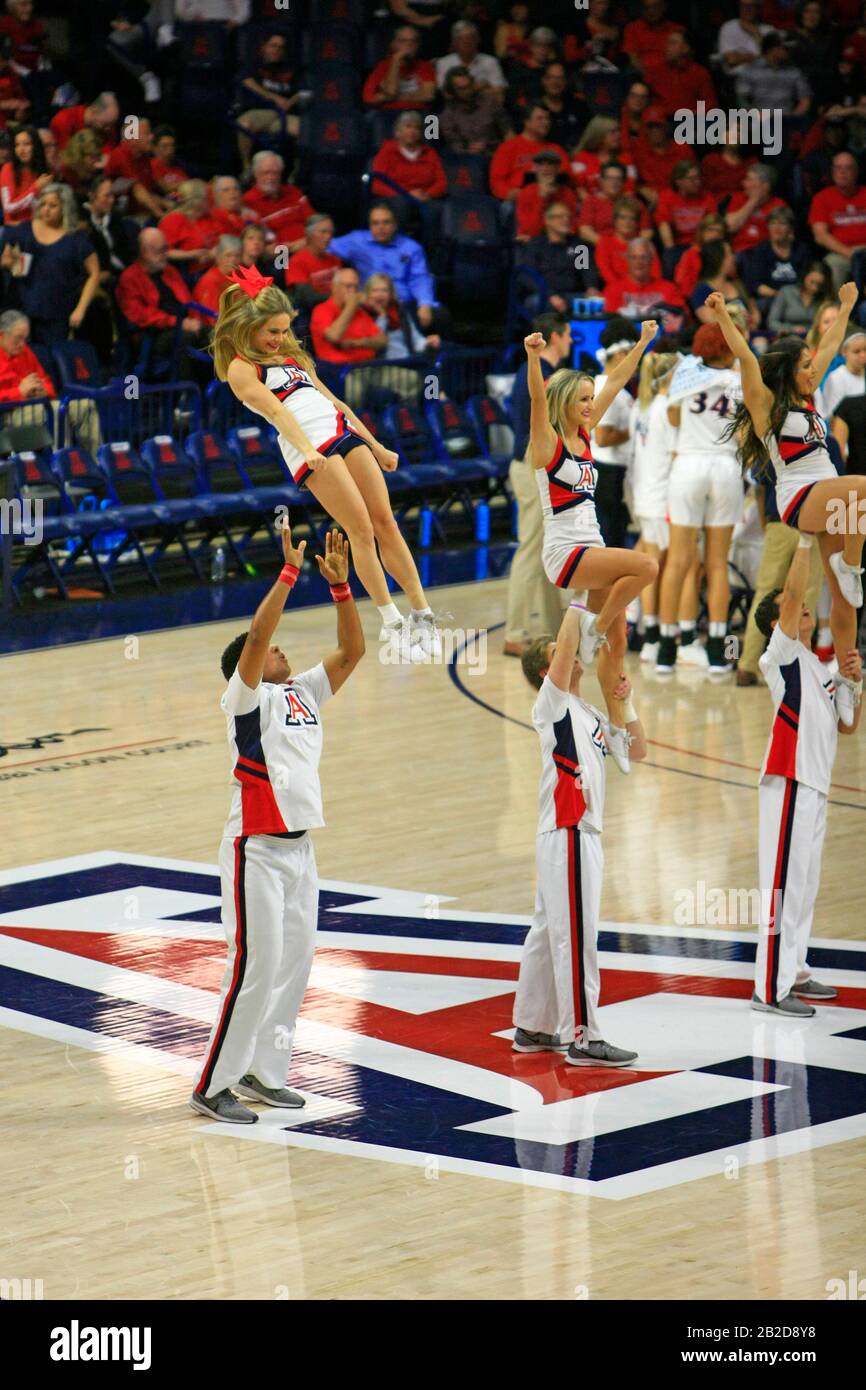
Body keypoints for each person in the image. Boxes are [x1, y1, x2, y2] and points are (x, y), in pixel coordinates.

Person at [191, 525, 365, 1123]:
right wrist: (289, 574)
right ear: (248, 665)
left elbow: (353, 652)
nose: (281, 650)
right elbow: (260, 631)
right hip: (254, 851)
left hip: (300, 851)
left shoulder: (304, 693)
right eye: (270, 651)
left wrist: (342, 589)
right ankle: (212, 1084)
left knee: (296, 964)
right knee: (254, 964)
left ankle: (266, 1072)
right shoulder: (243, 700)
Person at [214, 268, 441, 655]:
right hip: (309, 448)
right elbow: (278, 413)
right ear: (249, 327)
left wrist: (376, 445)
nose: (280, 339)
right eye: (272, 332)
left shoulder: (291, 356)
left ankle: (423, 613)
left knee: (386, 521)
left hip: (341, 432)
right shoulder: (240, 368)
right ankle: (391, 621)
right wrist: (307, 450)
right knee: (361, 530)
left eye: (285, 331)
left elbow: (335, 402)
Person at [709, 284, 866, 725]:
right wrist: (724, 316)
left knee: (843, 602)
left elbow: (830, 343)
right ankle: (852, 566)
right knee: (863, 488)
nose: (811, 370)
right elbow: (744, 357)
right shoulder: (768, 406)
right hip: (799, 495)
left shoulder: (808, 397)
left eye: (810, 365)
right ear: (786, 371)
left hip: (831, 491)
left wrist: (848, 305)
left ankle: (848, 681)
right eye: (803, 366)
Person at [513, 605, 647, 1066]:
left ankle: (532, 1026)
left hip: (576, 832)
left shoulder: (586, 710)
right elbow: (570, 637)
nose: (572, 656)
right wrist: (582, 589)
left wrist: (625, 702)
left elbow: (637, 752)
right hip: (569, 830)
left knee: (549, 929)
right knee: (577, 935)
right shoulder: (549, 704)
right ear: (548, 671)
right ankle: (584, 1037)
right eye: (559, 654)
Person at [524, 320, 658, 768]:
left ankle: (618, 728)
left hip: (592, 547)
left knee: (618, 643)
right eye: (581, 400)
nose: (588, 406)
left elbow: (617, 379)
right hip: (567, 554)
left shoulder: (585, 434)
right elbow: (537, 400)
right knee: (645, 567)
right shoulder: (547, 442)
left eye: (589, 398)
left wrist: (641, 343)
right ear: (564, 402)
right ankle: (591, 628)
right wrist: (533, 357)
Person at [752, 538, 861, 1016]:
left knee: (805, 883)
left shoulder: (817, 666)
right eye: (792, 611)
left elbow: (848, 723)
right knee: (782, 886)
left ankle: (794, 968)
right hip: (789, 781)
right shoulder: (779, 657)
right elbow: (795, 594)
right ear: (779, 624)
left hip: (815, 785)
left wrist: (854, 679)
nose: (802, 613)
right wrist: (804, 539)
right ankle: (768, 989)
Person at [656, 324, 745, 674]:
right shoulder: (739, 379)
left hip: (688, 465)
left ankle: (665, 649)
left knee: (678, 562)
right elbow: (744, 428)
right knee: (718, 563)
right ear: (727, 348)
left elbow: (672, 416)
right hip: (724, 465)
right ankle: (719, 652)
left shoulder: (685, 375)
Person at [503, 311, 572, 658]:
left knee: (546, 548)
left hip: (534, 465)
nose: (572, 341)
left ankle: (551, 627)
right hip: (530, 466)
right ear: (556, 336)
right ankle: (515, 632)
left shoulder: (537, 373)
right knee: (531, 547)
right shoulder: (539, 375)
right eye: (568, 335)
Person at [735, 480, 823, 687]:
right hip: (813, 523)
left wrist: (767, 522)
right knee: (807, 597)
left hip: (778, 519)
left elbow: (759, 486)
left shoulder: (773, 446)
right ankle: (799, 670)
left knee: (764, 594)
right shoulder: (827, 446)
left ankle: (746, 666)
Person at [629, 350, 680, 663]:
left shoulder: (640, 406)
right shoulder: (668, 410)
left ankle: (649, 633)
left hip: (643, 494)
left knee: (650, 566)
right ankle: (661, 633)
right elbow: (676, 455)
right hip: (662, 496)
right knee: (662, 568)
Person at [0, 182, 99, 345]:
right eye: (43, 204)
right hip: (20, 311)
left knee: (50, 362)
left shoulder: (76, 239)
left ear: (65, 208)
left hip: (57, 314)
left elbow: (94, 273)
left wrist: (80, 309)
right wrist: (5, 263)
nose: (46, 209)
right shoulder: (22, 231)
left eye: (53, 205)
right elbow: (5, 258)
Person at [329, 202, 442, 334]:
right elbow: (323, 245)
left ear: (395, 225)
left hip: (403, 302)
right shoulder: (356, 241)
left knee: (440, 316)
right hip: (369, 302)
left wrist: (424, 304)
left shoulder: (411, 247)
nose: (380, 227)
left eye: (386, 222)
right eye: (375, 223)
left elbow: (420, 278)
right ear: (369, 225)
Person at [0, 306, 100, 450]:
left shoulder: (25, 352)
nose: (23, 344)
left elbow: (46, 382)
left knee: (85, 406)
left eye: (25, 339)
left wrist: (43, 391)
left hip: (37, 405)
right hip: (9, 414)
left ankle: (95, 462)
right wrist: (19, 392)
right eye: (18, 338)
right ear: (2, 335)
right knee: (55, 410)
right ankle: (63, 465)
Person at [115, 226, 205, 360]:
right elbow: (141, 315)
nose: (165, 254)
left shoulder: (170, 271)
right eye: (160, 250)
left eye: (166, 249)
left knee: (217, 333)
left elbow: (188, 301)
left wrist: (194, 320)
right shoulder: (129, 278)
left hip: (182, 324)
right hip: (153, 334)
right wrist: (178, 322)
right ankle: (186, 380)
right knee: (187, 339)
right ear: (145, 252)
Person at [591, 319, 639, 552]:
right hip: (608, 473)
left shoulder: (614, 390)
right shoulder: (606, 390)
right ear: (621, 355)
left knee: (615, 538)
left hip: (613, 471)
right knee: (610, 541)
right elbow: (602, 437)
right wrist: (637, 430)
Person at [516, 200, 596, 315]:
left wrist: (591, 287)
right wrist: (550, 295)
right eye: (560, 217)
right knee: (537, 302)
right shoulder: (536, 245)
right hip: (544, 295)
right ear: (547, 220)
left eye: (568, 216)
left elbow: (586, 271)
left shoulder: (578, 245)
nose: (566, 220)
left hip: (573, 295)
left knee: (598, 303)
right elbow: (527, 277)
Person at [236, 30, 300, 172]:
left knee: (302, 130)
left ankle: (296, 174)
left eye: (280, 47)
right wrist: (273, 97)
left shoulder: (290, 69)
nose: (276, 50)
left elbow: (301, 92)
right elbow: (247, 82)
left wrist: (290, 102)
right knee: (244, 125)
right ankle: (247, 168)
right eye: (273, 45)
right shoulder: (253, 64)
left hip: (283, 116)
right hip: (259, 113)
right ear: (264, 47)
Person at [808, 151, 866, 289]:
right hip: (841, 253)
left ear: (856, 171)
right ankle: (834, 309)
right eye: (838, 168)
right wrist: (851, 254)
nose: (843, 172)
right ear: (832, 172)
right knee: (832, 265)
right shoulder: (822, 198)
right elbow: (820, 236)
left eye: (848, 168)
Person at [310, 266, 387, 367]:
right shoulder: (322, 310)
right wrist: (351, 305)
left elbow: (382, 341)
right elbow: (334, 336)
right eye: (348, 286)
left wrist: (357, 343)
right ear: (334, 287)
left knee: (409, 378)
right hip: (340, 371)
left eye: (355, 287)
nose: (353, 291)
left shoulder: (359, 312)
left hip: (369, 365)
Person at [489, 104, 568, 202]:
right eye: (540, 118)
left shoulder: (556, 149)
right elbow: (496, 181)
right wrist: (510, 193)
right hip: (518, 200)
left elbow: (564, 176)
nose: (545, 122)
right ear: (527, 122)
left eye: (547, 119)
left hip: (551, 200)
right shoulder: (508, 147)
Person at [242, 151, 314, 254]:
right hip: (281, 254)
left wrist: (307, 241)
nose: (270, 178)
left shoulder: (293, 191)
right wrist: (292, 248)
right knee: (283, 266)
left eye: (275, 173)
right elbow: (262, 245)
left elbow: (314, 222)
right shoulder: (248, 202)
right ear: (255, 174)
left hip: (309, 245)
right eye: (266, 173)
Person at [739, 207, 811, 310]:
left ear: (790, 228)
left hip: (797, 298)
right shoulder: (761, 251)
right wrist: (781, 296)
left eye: (782, 224)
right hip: (770, 298)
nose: (777, 228)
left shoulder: (801, 251)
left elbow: (806, 282)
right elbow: (757, 286)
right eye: (773, 223)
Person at [371, 110, 447, 202]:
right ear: (398, 131)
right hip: (396, 200)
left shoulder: (430, 153)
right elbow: (377, 185)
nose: (412, 131)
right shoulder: (386, 152)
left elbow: (442, 182)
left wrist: (427, 194)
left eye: (416, 128)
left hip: (425, 200)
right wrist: (405, 195)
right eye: (408, 126)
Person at [602, 237, 685, 320]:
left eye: (643, 257)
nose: (638, 262)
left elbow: (681, 320)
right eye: (634, 257)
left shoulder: (669, 289)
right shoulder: (613, 290)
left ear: (652, 259)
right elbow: (609, 324)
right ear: (627, 260)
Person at [362, 271, 440, 358]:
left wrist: (428, 342)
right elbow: (376, 344)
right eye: (375, 290)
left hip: (406, 361)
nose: (380, 294)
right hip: (379, 365)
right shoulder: (363, 314)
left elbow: (416, 340)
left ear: (391, 294)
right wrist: (382, 316)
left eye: (384, 290)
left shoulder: (399, 311)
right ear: (368, 294)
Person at [103, 115, 166, 219]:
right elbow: (138, 190)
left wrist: (169, 204)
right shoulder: (120, 155)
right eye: (147, 133)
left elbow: (149, 192)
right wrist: (161, 215)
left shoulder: (143, 157)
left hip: (141, 213)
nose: (152, 137)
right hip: (122, 217)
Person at [735, 30, 811, 117]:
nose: (789, 51)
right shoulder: (751, 70)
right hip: (757, 120)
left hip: (786, 121)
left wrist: (793, 118)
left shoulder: (794, 72)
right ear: (771, 50)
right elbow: (741, 99)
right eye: (785, 48)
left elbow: (805, 99)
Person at [439, 65, 511, 154]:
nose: (467, 91)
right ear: (452, 91)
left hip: (497, 152)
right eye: (462, 89)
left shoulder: (489, 102)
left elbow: (507, 130)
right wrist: (469, 149)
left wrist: (509, 152)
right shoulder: (448, 114)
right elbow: (454, 145)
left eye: (469, 86)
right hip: (469, 158)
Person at [362, 24, 435, 111]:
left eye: (413, 41)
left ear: (417, 46)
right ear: (393, 44)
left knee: (433, 120)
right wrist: (396, 60)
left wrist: (390, 96)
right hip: (389, 113)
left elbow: (428, 96)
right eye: (403, 41)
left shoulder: (426, 66)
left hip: (419, 112)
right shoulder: (382, 66)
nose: (409, 45)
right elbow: (372, 97)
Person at [578, 161, 652, 247]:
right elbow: (584, 230)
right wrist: (609, 246)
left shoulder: (635, 202)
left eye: (618, 178)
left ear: (624, 181)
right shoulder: (591, 201)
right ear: (601, 180)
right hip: (599, 247)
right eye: (609, 178)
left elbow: (647, 231)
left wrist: (633, 247)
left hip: (631, 251)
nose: (614, 182)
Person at [654, 160, 717, 254]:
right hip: (677, 245)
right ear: (679, 182)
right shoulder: (666, 196)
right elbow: (664, 226)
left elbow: (712, 227)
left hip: (701, 245)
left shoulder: (708, 197)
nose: (697, 182)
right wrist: (671, 251)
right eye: (692, 179)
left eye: (698, 178)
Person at [158, 179, 219, 275]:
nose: (212, 200)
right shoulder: (172, 220)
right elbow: (164, 252)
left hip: (215, 267)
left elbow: (221, 239)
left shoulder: (208, 217)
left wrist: (214, 252)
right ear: (198, 201)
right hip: (190, 273)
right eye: (207, 197)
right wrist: (192, 255)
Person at [435, 20, 507, 100]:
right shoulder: (443, 63)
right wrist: (479, 87)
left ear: (477, 40)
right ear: (454, 43)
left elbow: (499, 90)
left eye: (470, 38)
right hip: (455, 108)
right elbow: (446, 94)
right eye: (461, 39)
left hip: (485, 107)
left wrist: (462, 91)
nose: (467, 42)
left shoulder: (490, 61)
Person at [514, 148, 577, 241]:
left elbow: (571, 227)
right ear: (534, 168)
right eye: (540, 165)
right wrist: (542, 197)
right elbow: (530, 230)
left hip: (559, 241)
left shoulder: (568, 194)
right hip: (532, 241)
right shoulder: (526, 192)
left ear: (558, 169)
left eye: (550, 164)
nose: (545, 169)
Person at [594, 198, 660, 286]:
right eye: (623, 217)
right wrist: (624, 289)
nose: (627, 222)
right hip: (616, 289)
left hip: (645, 290)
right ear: (615, 221)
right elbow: (606, 272)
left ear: (637, 223)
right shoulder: (604, 243)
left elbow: (656, 273)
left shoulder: (645, 245)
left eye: (632, 218)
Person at [725, 164, 788, 254]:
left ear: (765, 186)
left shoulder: (778, 205)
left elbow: (781, 237)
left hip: (766, 254)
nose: (743, 183)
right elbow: (730, 227)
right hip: (739, 253)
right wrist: (753, 201)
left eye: (749, 180)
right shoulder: (738, 198)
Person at [284, 214, 342, 312]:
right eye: (323, 232)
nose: (328, 237)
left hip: (338, 308)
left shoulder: (335, 259)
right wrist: (340, 296)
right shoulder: (296, 262)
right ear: (309, 234)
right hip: (312, 313)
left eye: (330, 233)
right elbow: (307, 298)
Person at [651, 30, 716, 117]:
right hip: (661, 122)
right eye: (667, 43)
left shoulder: (699, 73)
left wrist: (692, 114)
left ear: (685, 48)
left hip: (690, 121)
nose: (667, 47)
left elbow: (709, 104)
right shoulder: (657, 71)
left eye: (673, 43)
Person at [0, 120, 49, 224]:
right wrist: (35, 188)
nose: (21, 150)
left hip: (39, 228)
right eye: (17, 145)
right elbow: (8, 206)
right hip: (15, 229)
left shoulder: (43, 170)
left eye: (26, 144)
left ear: (36, 146)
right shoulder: (8, 169)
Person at [766, 262, 834, 336]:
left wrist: (809, 331)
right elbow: (772, 322)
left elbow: (831, 326)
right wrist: (791, 329)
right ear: (804, 276)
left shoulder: (825, 298)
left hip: (815, 339)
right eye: (812, 282)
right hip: (787, 337)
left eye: (819, 284)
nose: (815, 288)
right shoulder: (786, 292)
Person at [622, 0, 683, 80]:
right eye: (647, 8)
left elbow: (681, 59)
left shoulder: (677, 30)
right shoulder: (632, 28)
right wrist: (649, 77)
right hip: (641, 75)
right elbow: (632, 59)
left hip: (670, 77)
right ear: (642, 9)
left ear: (663, 7)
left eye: (656, 7)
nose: (651, 11)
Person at [191, 234, 242, 316]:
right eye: (228, 255)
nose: (233, 260)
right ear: (219, 256)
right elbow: (213, 317)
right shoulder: (210, 281)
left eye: (237, 255)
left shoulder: (240, 274)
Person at [821, 330, 866, 418]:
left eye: (865, 350)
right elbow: (833, 414)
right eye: (856, 351)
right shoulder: (836, 378)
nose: (863, 355)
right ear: (844, 352)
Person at [718, 0, 771, 74]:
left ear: (758, 8)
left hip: (763, 77)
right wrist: (758, 57)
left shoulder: (768, 30)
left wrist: (756, 33)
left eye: (751, 6)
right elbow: (731, 59)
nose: (747, 9)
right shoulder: (728, 27)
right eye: (744, 6)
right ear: (739, 8)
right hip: (737, 78)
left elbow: (772, 60)